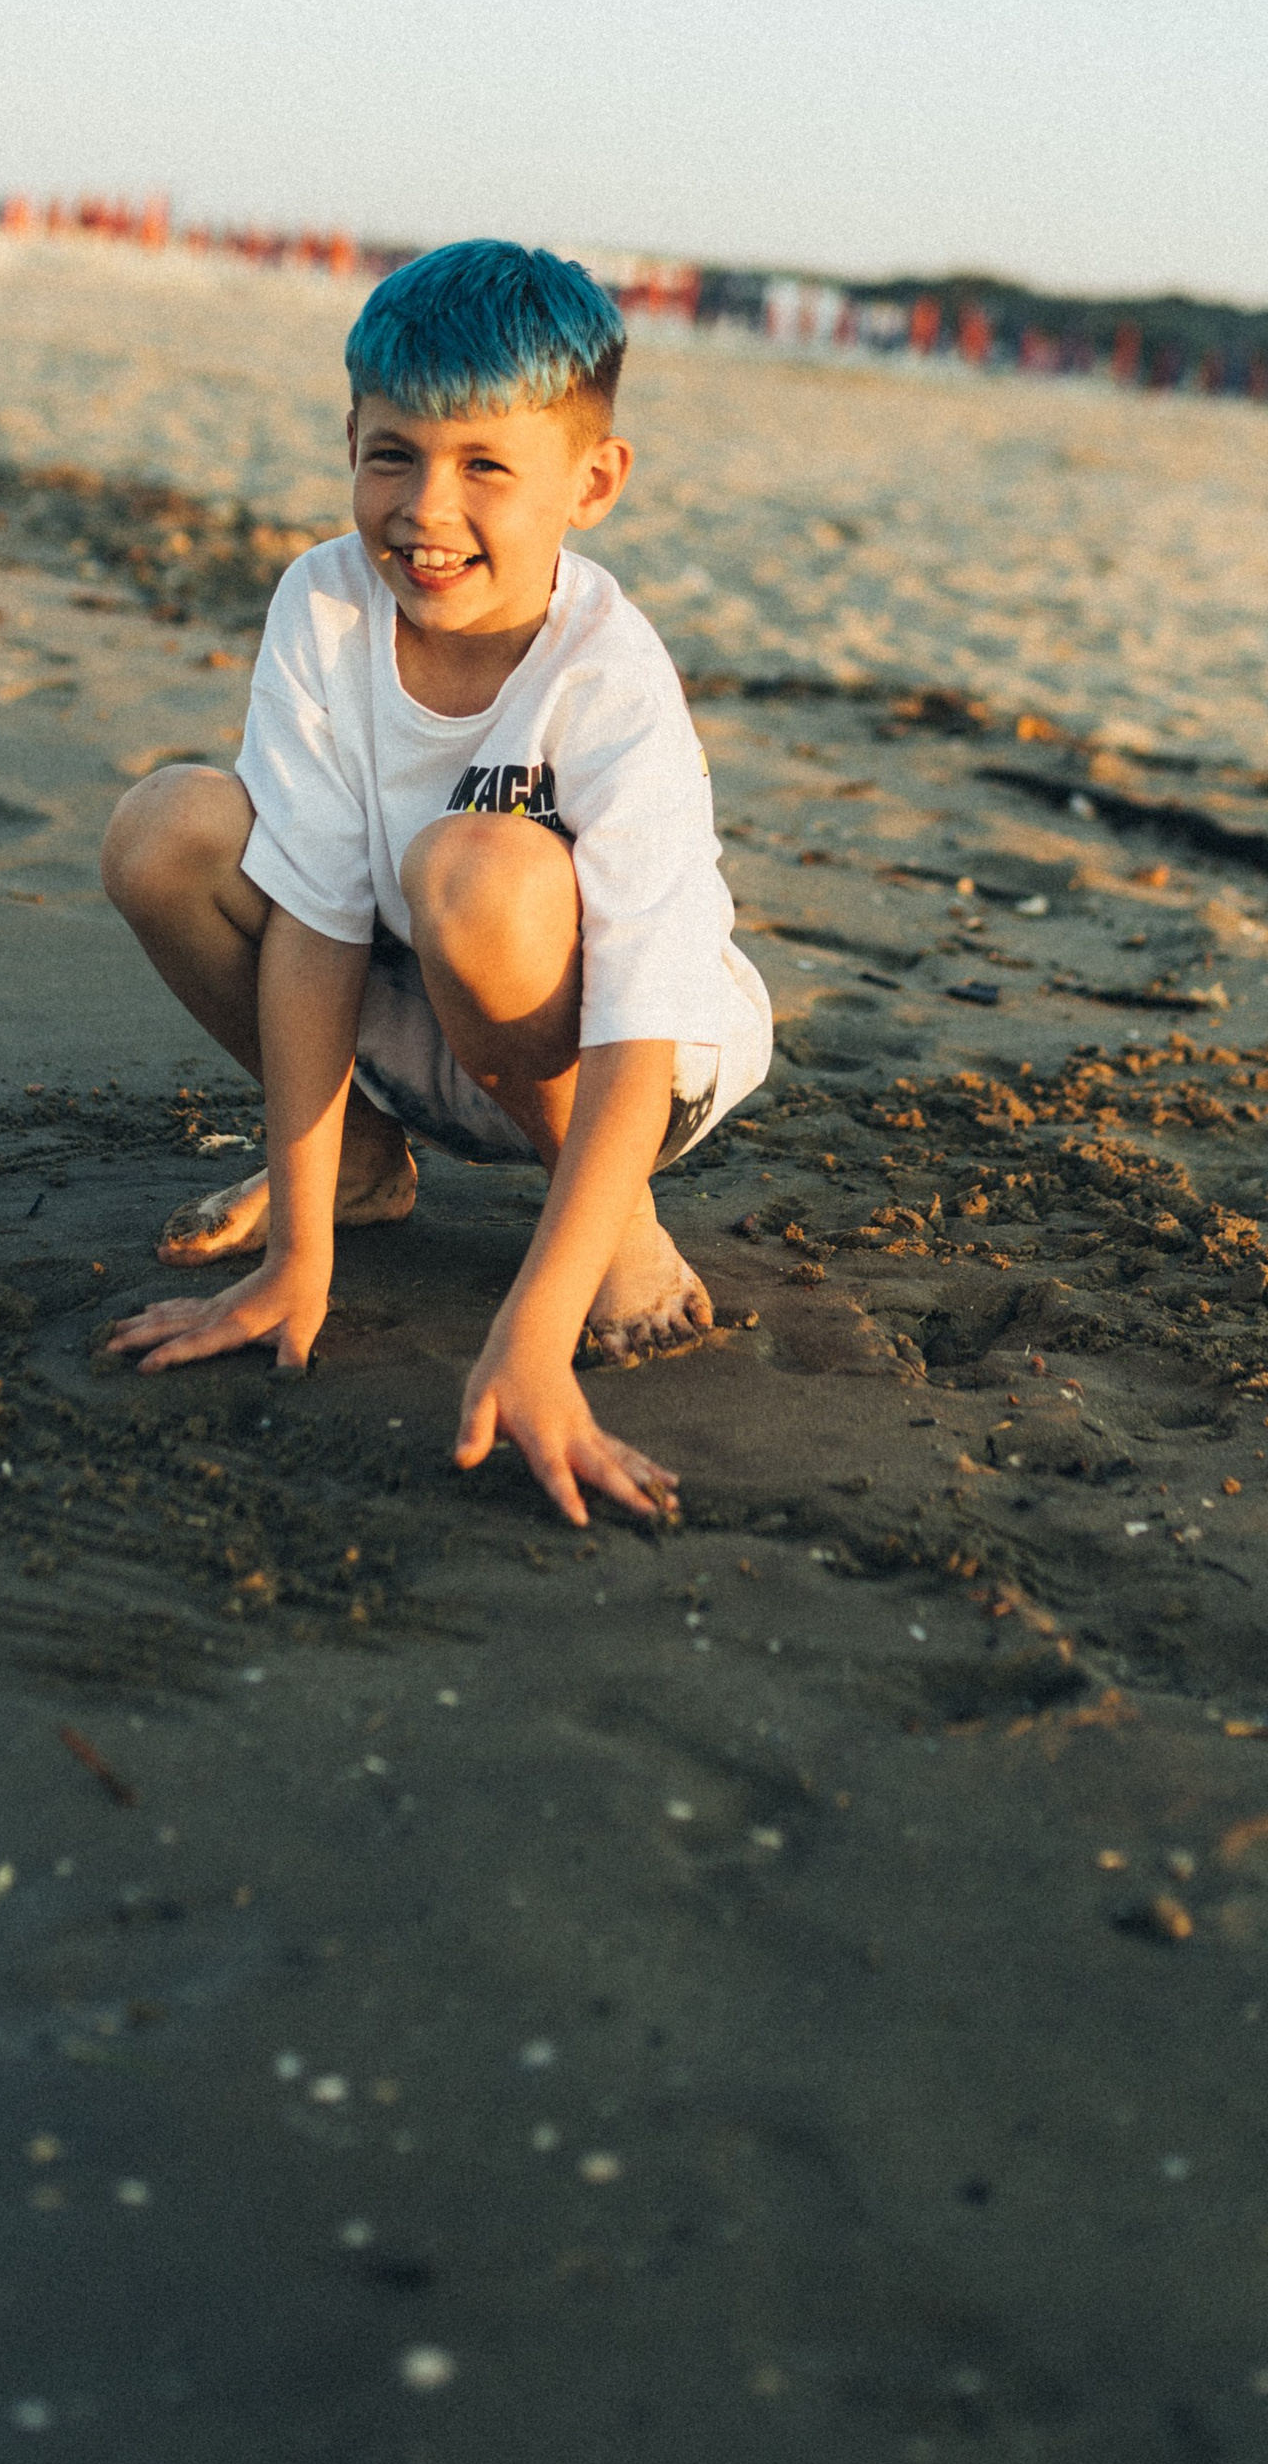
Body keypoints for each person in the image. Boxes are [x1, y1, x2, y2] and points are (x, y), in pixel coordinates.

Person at [100, 241, 773, 1527]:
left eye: (485, 468)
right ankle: (356, 1162)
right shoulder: (325, 603)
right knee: (165, 828)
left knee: (473, 867)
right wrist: (303, 1258)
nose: (426, 512)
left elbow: (639, 1024)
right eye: (392, 455)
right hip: (420, 1007)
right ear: (349, 438)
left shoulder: (611, 680)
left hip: (629, 1064)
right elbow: (311, 922)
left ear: (593, 480)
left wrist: (534, 1327)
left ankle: (615, 1231)